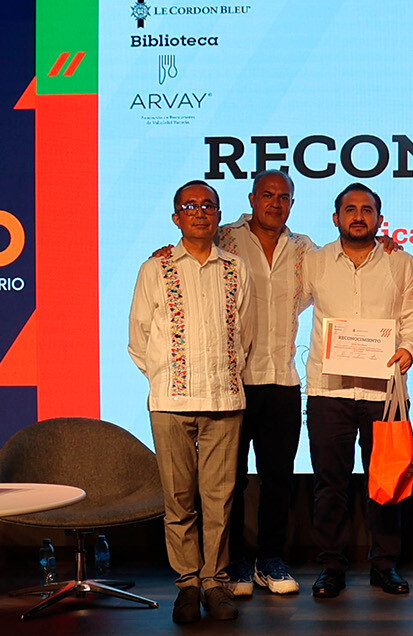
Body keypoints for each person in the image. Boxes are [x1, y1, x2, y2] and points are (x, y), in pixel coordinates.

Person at [128, 180, 252, 623]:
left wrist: (221, 373)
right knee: (179, 499)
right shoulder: (155, 269)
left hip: (224, 398)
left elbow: (245, 335)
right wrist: (169, 377)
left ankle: (215, 582)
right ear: (176, 217)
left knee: (219, 500)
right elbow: (139, 339)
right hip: (170, 401)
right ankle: (186, 584)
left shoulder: (236, 269)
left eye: (208, 205)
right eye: (189, 206)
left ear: (219, 215)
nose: (200, 212)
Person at [301, 182, 413, 599]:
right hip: (327, 389)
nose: (359, 216)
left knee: (386, 483)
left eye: (367, 209)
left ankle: (384, 565)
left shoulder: (400, 261)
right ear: (335, 218)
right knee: (329, 483)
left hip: (384, 392)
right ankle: (331, 566)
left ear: (379, 218)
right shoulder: (314, 262)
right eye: (350, 209)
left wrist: (409, 348)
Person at [212, 170, 314, 597]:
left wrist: (386, 245)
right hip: (232, 381)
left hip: (283, 380)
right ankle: (232, 562)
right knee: (229, 478)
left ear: (292, 202)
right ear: (252, 198)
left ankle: (270, 559)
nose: (276, 203)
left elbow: (348, 266)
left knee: (279, 477)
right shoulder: (222, 239)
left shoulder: (305, 248)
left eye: (284, 197)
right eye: (268, 195)